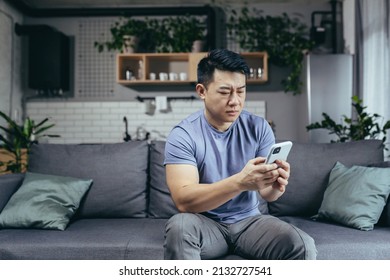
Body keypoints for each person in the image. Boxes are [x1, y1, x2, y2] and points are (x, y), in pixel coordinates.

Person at [163, 49, 316, 260]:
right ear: (202, 91)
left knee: (302, 245)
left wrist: (275, 186)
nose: (235, 100)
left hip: (249, 223)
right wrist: (240, 182)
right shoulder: (183, 135)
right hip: (205, 224)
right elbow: (184, 201)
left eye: (241, 91)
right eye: (225, 92)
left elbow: (267, 195)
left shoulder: (259, 127)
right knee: (180, 226)